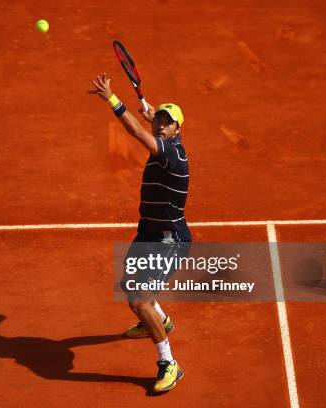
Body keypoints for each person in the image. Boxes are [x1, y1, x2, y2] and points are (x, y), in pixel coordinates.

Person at [89, 73, 192, 392]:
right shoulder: (166, 141)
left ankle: (169, 363)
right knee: (129, 287)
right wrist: (152, 111)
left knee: (139, 299)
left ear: (177, 130)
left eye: (167, 122)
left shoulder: (171, 154)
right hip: (148, 232)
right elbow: (148, 120)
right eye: (158, 120)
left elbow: (135, 129)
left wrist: (113, 99)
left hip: (168, 239)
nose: (160, 124)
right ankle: (160, 321)